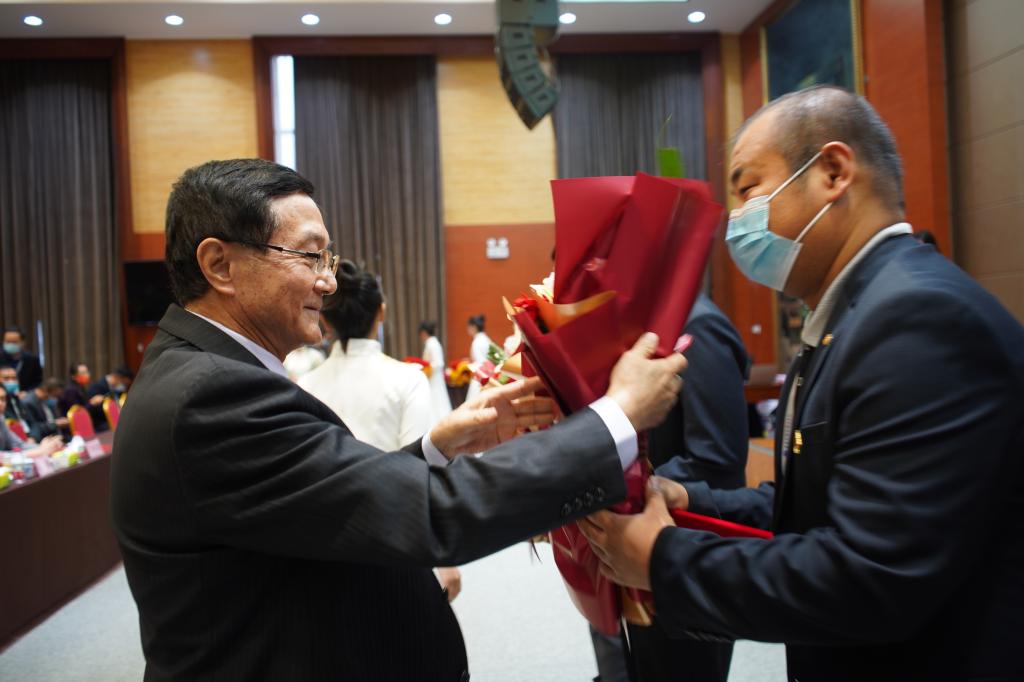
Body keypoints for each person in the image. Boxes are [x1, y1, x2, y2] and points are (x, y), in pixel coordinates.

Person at [109, 158, 687, 681]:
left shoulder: (204, 373)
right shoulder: (210, 395)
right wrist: (616, 415)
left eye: (328, 258)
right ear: (220, 265)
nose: (328, 281)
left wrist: (437, 446)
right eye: (309, 255)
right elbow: (434, 513)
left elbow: (329, 501)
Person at [581, 86, 1024, 682]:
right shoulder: (856, 315)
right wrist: (692, 501)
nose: (738, 220)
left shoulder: (917, 319)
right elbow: (817, 503)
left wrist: (665, 560)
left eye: (749, 188)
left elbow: (872, 575)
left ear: (833, 172)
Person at [300, 263, 458, 600]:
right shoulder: (408, 379)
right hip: (395, 538)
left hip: (323, 545)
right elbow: (420, 474)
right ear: (381, 312)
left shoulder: (304, 385)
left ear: (326, 321)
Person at [624, 292, 751, 682]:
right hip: (647, 540)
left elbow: (716, 457)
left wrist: (629, 490)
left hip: (689, 542)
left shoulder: (699, 324)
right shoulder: (654, 319)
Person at [0, 387, 62, 457]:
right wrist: (37, 451)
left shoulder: (1, 419)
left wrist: (45, 447)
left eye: (2, 399)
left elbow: (19, 445)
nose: (0, 403)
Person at [419, 320, 453, 423]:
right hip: (433, 377)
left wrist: (427, 368)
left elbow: (439, 363)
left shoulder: (432, 344)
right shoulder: (432, 343)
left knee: (437, 400)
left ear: (424, 333)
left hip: (434, 377)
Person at [58, 362, 106, 431]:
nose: (87, 375)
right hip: (73, 428)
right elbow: (77, 414)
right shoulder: (71, 391)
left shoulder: (81, 388)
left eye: (87, 372)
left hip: (83, 424)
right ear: (73, 376)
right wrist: (92, 403)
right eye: (83, 373)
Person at [0, 327, 43, 392]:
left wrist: (27, 392)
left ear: (23, 342)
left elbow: (38, 382)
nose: (10, 344)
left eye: (14, 342)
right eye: (8, 342)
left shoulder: (32, 359)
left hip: (25, 394)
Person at [465, 314, 493, 401]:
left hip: (480, 376)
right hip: (488, 375)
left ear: (473, 327)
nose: (467, 329)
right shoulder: (486, 339)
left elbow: (480, 362)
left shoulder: (477, 341)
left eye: (468, 327)